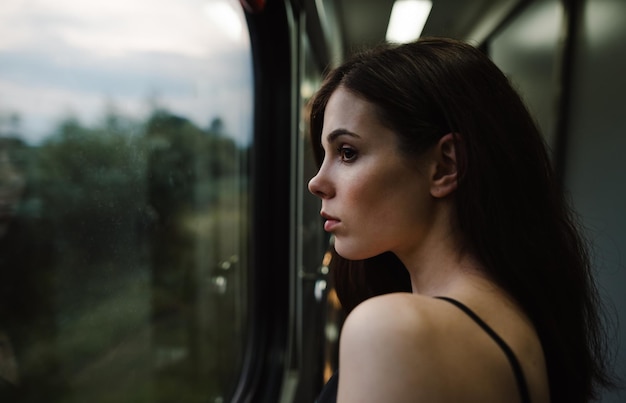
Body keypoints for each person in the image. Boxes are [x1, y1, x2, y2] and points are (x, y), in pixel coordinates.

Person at [307, 37, 616, 403]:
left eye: (347, 152)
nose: (316, 183)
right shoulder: (516, 320)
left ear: (445, 166)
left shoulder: (393, 330)